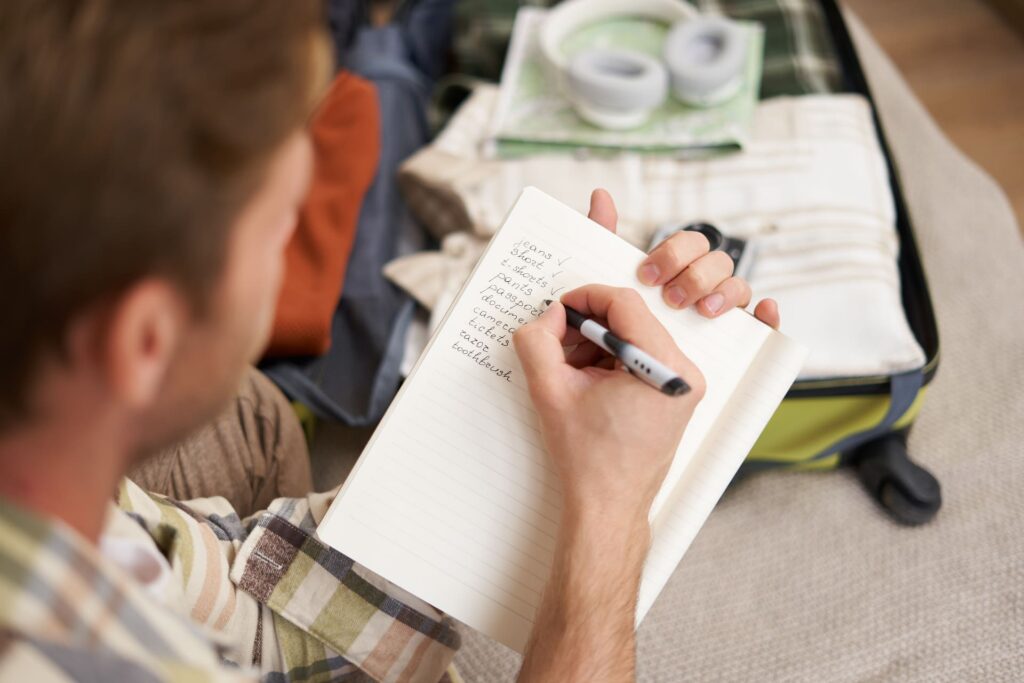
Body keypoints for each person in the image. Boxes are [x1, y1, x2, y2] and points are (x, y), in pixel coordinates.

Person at [0, 1, 779, 682]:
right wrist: (610, 515)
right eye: (280, 231)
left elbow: (239, 601)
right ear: (145, 340)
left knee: (257, 416)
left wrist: (524, 434)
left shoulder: (93, 524)